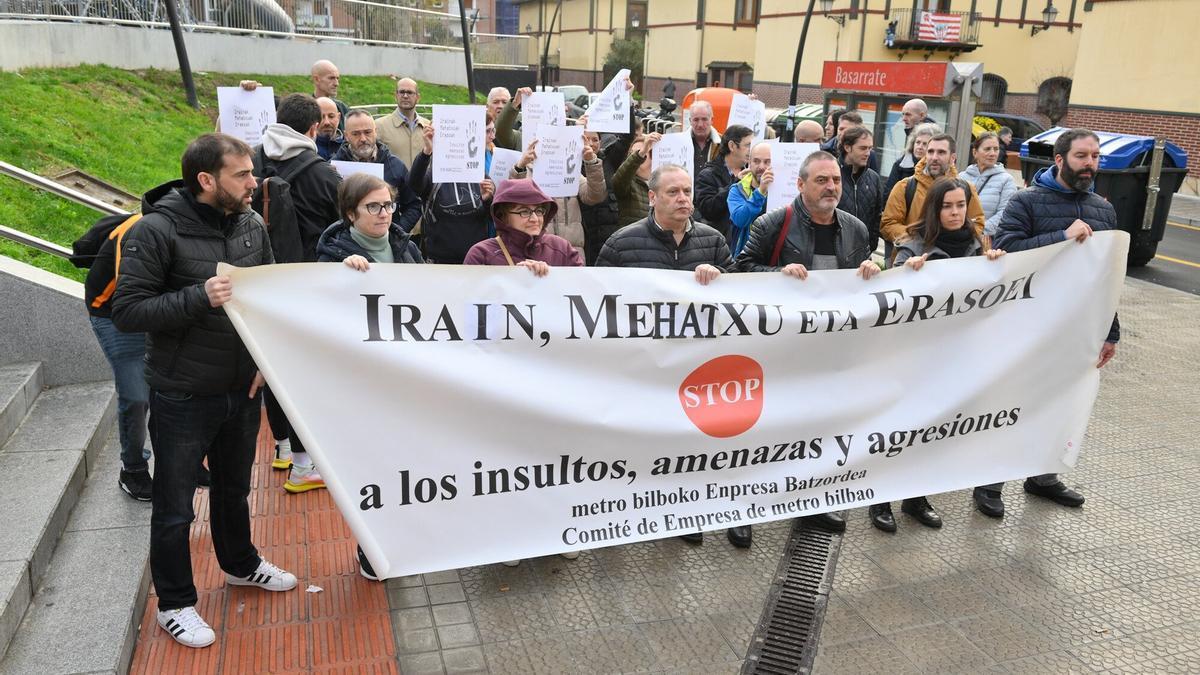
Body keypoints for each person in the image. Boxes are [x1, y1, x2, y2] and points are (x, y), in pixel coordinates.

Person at [111, 133, 297, 649]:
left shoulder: (251, 223)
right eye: (241, 174)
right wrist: (198, 296)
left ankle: (240, 564)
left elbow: (268, 296)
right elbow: (127, 312)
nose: (252, 182)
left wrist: (264, 360)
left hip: (242, 388)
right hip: (182, 396)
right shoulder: (155, 231)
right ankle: (174, 603)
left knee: (236, 489)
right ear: (206, 180)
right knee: (174, 507)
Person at [732, 151, 877, 537]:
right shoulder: (773, 224)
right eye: (821, 180)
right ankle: (742, 511)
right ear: (800, 185)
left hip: (830, 354)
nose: (831, 187)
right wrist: (777, 274)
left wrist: (873, 272)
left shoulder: (856, 229)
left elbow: (863, 287)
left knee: (818, 432)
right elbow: (741, 270)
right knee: (762, 431)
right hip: (779, 352)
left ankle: (811, 502)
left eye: (836, 180)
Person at [597, 163, 740, 547]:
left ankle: (683, 512)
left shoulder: (712, 241)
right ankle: (630, 505)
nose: (683, 199)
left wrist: (721, 279)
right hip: (642, 364)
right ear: (653, 197)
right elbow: (597, 305)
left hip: (696, 363)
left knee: (687, 440)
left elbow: (740, 298)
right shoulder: (621, 244)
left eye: (688, 192)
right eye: (674, 192)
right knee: (640, 437)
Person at [985, 128, 1120, 517]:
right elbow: (1006, 250)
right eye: (1082, 156)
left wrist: (1110, 332)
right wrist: (1062, 235)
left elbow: (1108, 274)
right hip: (1027, 326)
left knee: (1062, 404)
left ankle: (1043, 477)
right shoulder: (1025, 201)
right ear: (1059, 160)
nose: (1090, 164)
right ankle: (989, 483)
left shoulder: (1103, 208)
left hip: (1076, 328)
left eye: (1095, 156)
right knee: (1012, 405)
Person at [868, 176, 1007, 533]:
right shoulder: (913, 245)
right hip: (914, 356)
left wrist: (995, 264)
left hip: (956, 356)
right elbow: (891, 299)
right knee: (899, 428)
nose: (956, 212)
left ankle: (916, 498)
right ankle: (879, 500)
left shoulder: (977, 245)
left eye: (961, 205)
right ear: (935, 209)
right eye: (948, 206)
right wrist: (905, 272)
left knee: (933, 431)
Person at [315, 173, 423, 580]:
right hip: (365, 381)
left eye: (388, 205)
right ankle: (370, 549)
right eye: (373, 207)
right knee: (375, 466)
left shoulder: (404, 245)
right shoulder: (333, 256)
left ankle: (402, 537)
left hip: (407, 373)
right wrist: (341, 275)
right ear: (350, 213)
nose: (384, 214)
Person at [255, 94, 342, 491]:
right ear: (311, 129)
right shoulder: (321, 173)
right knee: (307, 374)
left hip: (259, 280)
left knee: (272, 368)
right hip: (308, 283)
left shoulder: (253, 159)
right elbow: (346, 224)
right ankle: (306, 464)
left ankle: (283, 448)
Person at [255, 93, 342, 261]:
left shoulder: (246, 162)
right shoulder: (326, 175)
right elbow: (343, 224)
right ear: (313, 128)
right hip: (308, 270)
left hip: (256, 267)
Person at [881, 133, 984, 262]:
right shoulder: (905, 187)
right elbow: (888, 224)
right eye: (930, 152)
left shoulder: (966, 188)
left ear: (952, 158)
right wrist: (918, 241)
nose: (934, 157)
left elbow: (977, 222)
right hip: (913, 263)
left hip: (956, 263)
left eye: (941, 152)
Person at [507, 131, 607, 260]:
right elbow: (512, 199)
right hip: (536, 251)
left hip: (571, 251)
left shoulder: (569, 170)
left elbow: (595, 196)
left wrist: (591, 162)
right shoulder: (527, 171)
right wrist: (520, 166)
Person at [409, 124, 496, 264]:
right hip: (440, 260)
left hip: (475, 260)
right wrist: (427, 151)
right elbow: (414, 184)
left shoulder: (480, 175)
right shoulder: (435, 175)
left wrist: (487, 200)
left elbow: (493, 216)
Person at [334, 110, 423, 233]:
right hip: (345, 245)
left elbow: (414, 205)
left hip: (387, 243)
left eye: (368, 132)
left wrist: (396, 232)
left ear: (376, 131)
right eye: (356, 134)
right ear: (346, 136)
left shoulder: (395, 165)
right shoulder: (333, 169)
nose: (363, 138)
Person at [695, 124, 754, 243]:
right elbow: (708, 211)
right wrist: (736, 185)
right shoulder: (708, 175)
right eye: (748, 145)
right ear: (732, 146)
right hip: (720, 245)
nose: (751, 150)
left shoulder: (752, 173)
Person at [960, 132, 1018, 238]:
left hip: (986, 240)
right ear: (975, 152)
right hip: (959, 237)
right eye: (987, 149)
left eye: (996, 149)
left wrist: (979, 230)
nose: (993, 153)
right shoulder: (961, 177)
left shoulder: (1006, 180)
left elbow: (1005, 213)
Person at [837, 125, 885, 252]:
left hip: (863, 253)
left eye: (870, 148)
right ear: (847, 147)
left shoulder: (873, 178)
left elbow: (877, 216)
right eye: (863, 148)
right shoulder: (831, 175)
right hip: (834, 252)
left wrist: (871, 245)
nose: (868, 153)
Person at [579, 128, 622, 265]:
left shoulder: (609, 160)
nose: (590, 144)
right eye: (585, 139)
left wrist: (628, 108)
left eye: (595, 140)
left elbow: (626, 139)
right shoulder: (571, 166)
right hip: (585, 231)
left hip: (608, 230)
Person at [727, 140, 773, 256]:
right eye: (756, 161)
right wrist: (760, 192)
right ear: (749, 162)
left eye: (767, 162)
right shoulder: (737, 189)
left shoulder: (784, 190)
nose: (761, 167)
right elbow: (740, 220)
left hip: (775, 257)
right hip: (746, 257)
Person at [376, 77, 430, 171]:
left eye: (409, 92)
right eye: (401, 92)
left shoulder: (429, 127)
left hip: (423, 185)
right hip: (393, 185)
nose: (405, 96)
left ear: (418, 97)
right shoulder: (379, 126)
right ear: (396, 95)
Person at [612, 129, 660, 227]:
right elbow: (618, 182)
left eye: (644, 152)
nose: (636, 156)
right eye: (631, 154)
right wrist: (641, 152)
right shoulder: (628, 182)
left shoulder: (661, 183)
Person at [883, 122, 939, 199]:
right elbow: (888, 195)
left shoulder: (937, 167)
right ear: (913, 143)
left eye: (925, 144)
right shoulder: (900, 165)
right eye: (918, 142)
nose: (920, 147)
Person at [311, 60, 349, 131]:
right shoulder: (305, 109)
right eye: (331, 78)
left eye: (337, 78)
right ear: (316, 79)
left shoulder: (342, 108)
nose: (336, 84)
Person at [688, 101, 721, 175]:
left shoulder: (723, 143)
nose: (700, 124)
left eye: (704, 119)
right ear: (690, 121)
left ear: (711, 120)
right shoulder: (679, 142)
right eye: (696, 120)